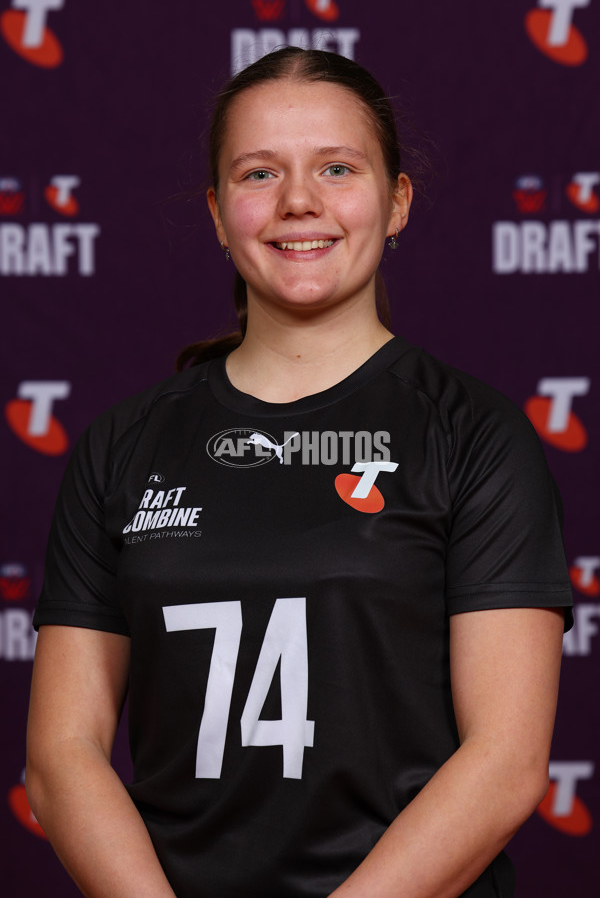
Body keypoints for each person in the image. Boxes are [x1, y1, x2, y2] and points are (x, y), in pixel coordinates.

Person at [26, 47, 572, 898]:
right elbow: (62, 757)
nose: (298, 203)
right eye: (257, 174)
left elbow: (505, 762)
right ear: (216, 211)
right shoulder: (121, 446)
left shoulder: (475, 436)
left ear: (397, 201)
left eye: (337, 168)